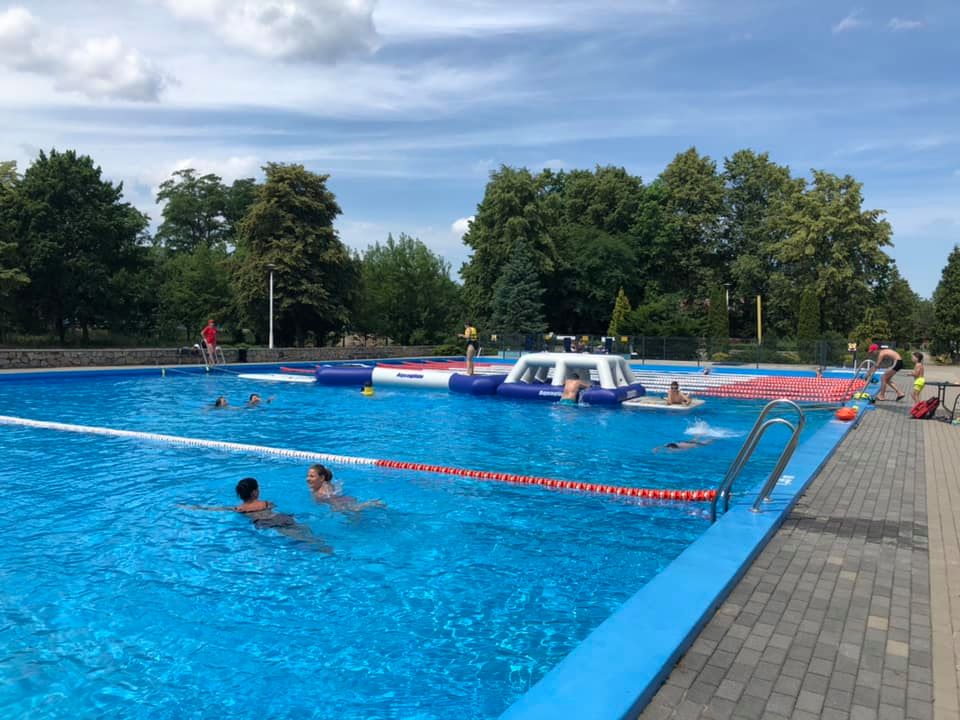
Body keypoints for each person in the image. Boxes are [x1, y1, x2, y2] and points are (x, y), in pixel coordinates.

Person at [181, 477, 331, 551]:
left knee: (293, 536)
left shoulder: (239, 509)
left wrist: (191, 507)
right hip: (281, 517)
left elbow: (214, 509)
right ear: (255, 492)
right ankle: (321, 544)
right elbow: (275, 508)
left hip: (265, 524)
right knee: (302, 530)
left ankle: (318, 547)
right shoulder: (266, 503)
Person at [306, 464, 385, 513]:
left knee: (355, 509)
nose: (307, 479)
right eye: (307, 476)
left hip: (338, 502)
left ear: (322, 478)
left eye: (312, 476)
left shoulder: (322, 488)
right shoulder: (326, 484)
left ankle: (371, 503)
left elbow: (330, 497)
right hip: (343, 499)